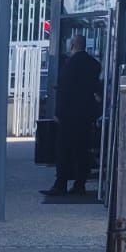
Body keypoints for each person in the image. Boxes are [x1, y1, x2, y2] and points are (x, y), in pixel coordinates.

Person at [45, 35, 102, 196]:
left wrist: (59, 113)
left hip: (69, 115)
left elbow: (65, 91)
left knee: (64, 149)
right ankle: (80, 183)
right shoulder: (94, 64)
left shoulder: (70, 65)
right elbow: (96, 88)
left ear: (73, 45)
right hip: (86, 115)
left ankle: (61, 183)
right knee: (82, 149)